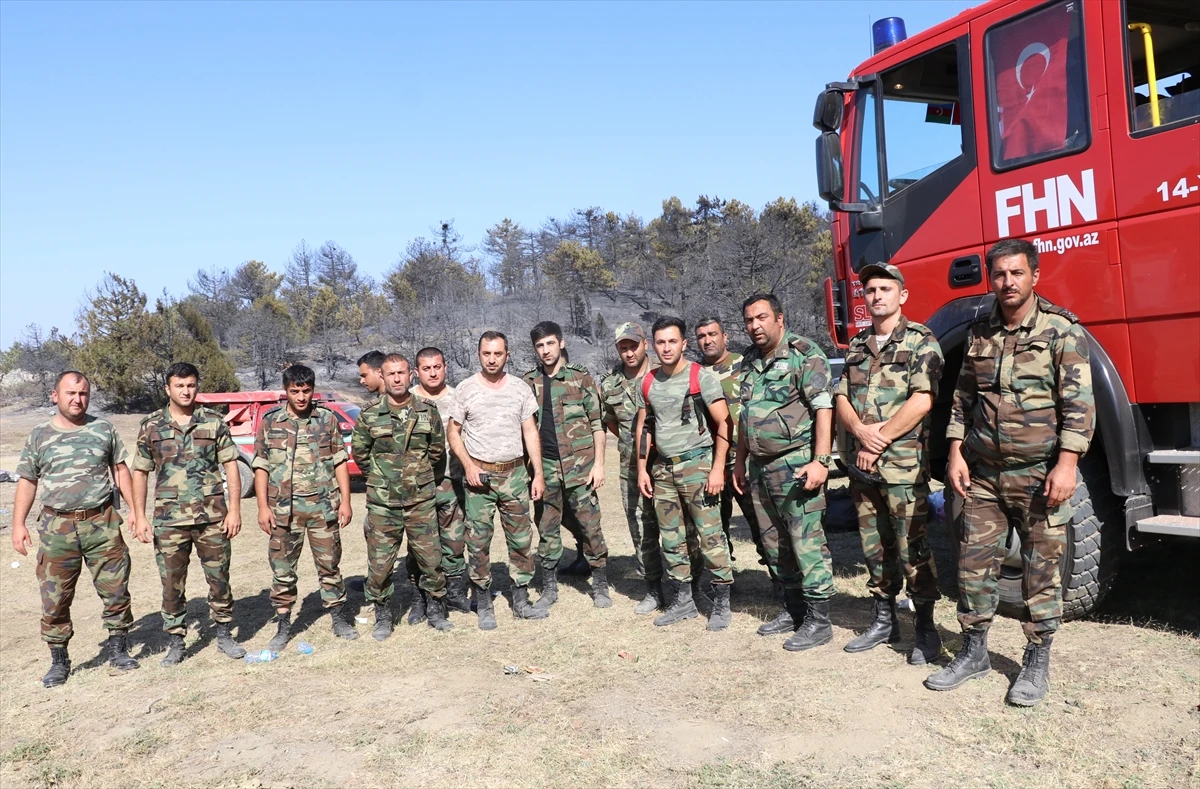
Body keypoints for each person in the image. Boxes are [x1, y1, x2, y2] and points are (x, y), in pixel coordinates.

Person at [926, 239, 1094, 707]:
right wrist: (955, 454)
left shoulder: (1062, 331)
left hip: (1040, 474)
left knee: (1041, 572)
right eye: (999, 274)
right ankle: (974, 652)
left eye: (1017, 273)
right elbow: (961, 400)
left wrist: (1067, 466)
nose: (1008, 282)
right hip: (983, 473)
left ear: (1034, 275)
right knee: (973, 566)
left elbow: (1079, 407)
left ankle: (1036, 661)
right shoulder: (979, 332)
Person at [834, 264, 943, 663]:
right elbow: (841, 397)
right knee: (874, 546)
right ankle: (884, 621)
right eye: (870, 290)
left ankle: (926, 630)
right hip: (862, 466)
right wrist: (859, 432)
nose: (877, 295)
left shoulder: (921, 341)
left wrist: (877, 439)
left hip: (902, 466)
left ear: (902, 295)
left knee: (912, 548)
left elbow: (922, 400)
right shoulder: (858, 345)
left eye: (885, 288)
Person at [11, 370, 148, 687]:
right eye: (71, 393)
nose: (77, 399)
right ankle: (59, 660)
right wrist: (18, 524)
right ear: (55, 395)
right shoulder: (39, 436)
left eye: (83, 393)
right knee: (55, 598)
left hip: (102, 523)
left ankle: (119, 650)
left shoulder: (103, 429)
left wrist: (136, 512)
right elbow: (28, 481)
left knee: (116, 590)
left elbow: (120, 471)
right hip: (57, 527)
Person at [733, 293, 837, 652]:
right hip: (760, 467)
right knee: (774, 543)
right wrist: (739, 461)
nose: (754, 326)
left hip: (795, 464)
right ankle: (793, 610)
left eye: (761, 317)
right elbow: (745, 415)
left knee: (806, 542)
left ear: (779, 318)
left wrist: (821, 461)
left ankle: (819, 621)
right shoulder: (749, 359)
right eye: (749, 320)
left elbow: (823, 408)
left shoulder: (804, 354)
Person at [132, 362, 247, 665]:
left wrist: (234, 510)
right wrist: (139, 516)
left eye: (191, 385)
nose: (186, 391)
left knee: (219, 579)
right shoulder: (151, 425)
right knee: (172, 583)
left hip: (212, 518)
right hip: (170, 521)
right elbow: (140, 472)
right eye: (179, 386)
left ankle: (224, 633)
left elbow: (231, 466)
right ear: (167, 389)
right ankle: (176, 640)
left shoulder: (213, 422)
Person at [634, 317, 735, 631]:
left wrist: (717, 469)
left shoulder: (700, 377)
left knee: (711, 536)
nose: (666, 348)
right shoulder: (648, 382)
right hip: (663, 470)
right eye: (661, 342)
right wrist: (642, 468)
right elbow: (644, 428)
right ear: (653, 345)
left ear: (683, 344)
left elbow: (725, 423)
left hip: (697, 467)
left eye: (672, 341)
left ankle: (721, 603)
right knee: (672, 538)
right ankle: (684, 601)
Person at [448, 331, 549, 629]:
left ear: (507, 355)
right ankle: (484, 603)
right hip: (479, 476)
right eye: (486, 353)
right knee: (478, 541)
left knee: (521, 539)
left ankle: (521, 600)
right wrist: (468, 466)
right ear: (479, 354)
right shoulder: (466, 389)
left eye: (498, 354)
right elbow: (453, 431)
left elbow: (530, 432)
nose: (492, 359)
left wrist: (538, 473)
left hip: (515, 474)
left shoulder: (520, 389)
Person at [253, 364, 358, 651]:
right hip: (283, 511)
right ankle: (284, 626)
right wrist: (262, 507)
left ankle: (339, 618)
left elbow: (339, 461)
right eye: (295, 391)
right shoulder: (270, 421)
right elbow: (261, 466)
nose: (301, 397)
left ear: (313, 390)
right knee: (282, 570)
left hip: (322, 507)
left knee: (330, 566)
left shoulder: (326, 419)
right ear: (285, 391)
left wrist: (346, 501)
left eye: (306, 391)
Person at [351, 353, 453, 639]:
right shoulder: (370, 413)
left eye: (401, 373)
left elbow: (437, 452)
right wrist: (384, 480)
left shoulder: (427, 411)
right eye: (391, 374)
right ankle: (383, 614)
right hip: (384, 503)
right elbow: (360, 454)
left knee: (430, 559)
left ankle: (435, 608)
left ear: (410, 375)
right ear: (382, 377)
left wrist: (418, 478)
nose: (396, 378)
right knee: (380, 563)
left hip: (420, 499)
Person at [523, 321, 611, 611]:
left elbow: (597, 425)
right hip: (545, 468)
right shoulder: (529, 383)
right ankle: (549, 588)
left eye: (550, 343)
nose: (545, 350)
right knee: (547, 527)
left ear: (561, 343)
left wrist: (599, 465)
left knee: (590, 525)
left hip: (580, 467)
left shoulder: (580, 378)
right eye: (539, 345)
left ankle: (600, 585)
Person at [600, 322, 661, 608]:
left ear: (645, 344)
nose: (629, 353)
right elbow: (610, 421)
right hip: (631, 468)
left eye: (633, 346)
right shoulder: (609, 383)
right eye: (623, 348)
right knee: (640, 528)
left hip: (666, 464)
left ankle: (689, 586)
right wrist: (631, 445)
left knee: (681, 527)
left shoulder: (664, 372)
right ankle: (653, 588)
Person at [696, 317, 765, 569]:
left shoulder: (745, 365)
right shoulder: (694, 374)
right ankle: (725, 578)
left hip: (745, 461)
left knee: (762, 524)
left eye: (712, 334)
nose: (707, 340)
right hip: (711, 465)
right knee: (716, 528)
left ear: (725, 337)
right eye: (702, 336)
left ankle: (779, 578)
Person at [409, 346, 471, 620]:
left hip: (452, 481)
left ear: (445, 367)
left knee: (454, 542)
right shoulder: (406, 400)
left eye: (437, 367)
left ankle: (455, 594)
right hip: (418, 485)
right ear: (416, 372)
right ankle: (419, 598)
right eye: (426, 368)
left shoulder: (458, 398)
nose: (433, 373)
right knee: (419, 545)